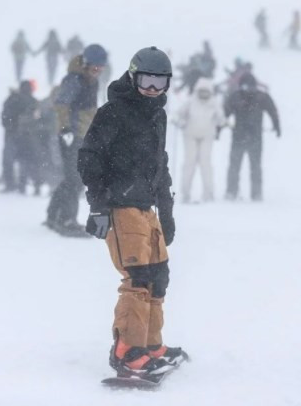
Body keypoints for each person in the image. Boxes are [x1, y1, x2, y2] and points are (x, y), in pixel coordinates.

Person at [78, 46, 188, 380]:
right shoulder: (114, 112)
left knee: (158, 275)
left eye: (159, 82)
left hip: (147, 206)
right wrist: (98, 207)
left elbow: (160, 163)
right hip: (120, 205)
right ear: (132, 75)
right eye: (146, 81)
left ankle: (150, 344)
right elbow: (89, 158)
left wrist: (166, 211)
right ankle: (127, 350)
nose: (153, 89)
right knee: (138, 278)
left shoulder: (157, 114)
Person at [44, 44, 107, 237]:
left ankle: (53, 214)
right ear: (86, 65)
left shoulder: (91, 82)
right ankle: (66, 219)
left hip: (83, 134)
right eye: (94, 68)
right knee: (76, 179)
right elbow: (61, 104)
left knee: (72, 178)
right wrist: (65, 129)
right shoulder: (74, 80)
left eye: (100, 69)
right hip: (71, 135)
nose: (97, 72)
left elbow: (90, 109)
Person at [224, 73, 280, 201]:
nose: (248, 90)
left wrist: (277, 126)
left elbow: (273, 111)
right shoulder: (238, 97)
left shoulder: (259, 97)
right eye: (246, 87)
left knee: (252, 166)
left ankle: (254, 194)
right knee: (237, 166)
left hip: (251, 137)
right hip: (243, 137)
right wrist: (218, 128)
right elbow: (225, 113)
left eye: (250, 87)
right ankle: (233, 192)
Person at [175, 78, 224, 203]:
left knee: (205, 163)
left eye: (206, 92)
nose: (204, 95)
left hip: (207, 137)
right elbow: (178, 114)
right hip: (190, 136)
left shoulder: (214, 103)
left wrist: (223, 123)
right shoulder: (191, 101)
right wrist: (179, 121)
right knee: (189, 163)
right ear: (197, 91)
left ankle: (208, 193)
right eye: (202, 92)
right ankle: (185, 192)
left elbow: (221, 118)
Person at [0, 80, 41, 194]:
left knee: (8, 159)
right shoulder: (33, 101)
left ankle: (10, 183)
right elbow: (37, 119)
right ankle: (25, 184)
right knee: (25, 160)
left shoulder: (12, 99)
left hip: (11, 134)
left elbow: (4, 116)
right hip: (27, 136)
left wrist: (9, 126)